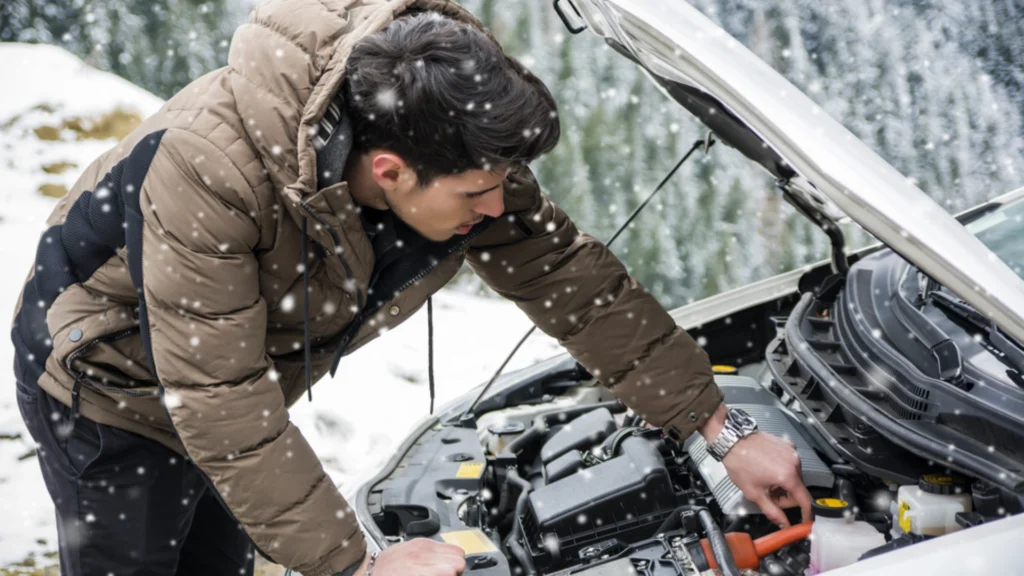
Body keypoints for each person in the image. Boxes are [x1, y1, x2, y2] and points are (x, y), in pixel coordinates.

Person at [11, 1, 813, 575]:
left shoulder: (439, 125)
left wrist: (718, 425)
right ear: (389, 173)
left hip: (224, 377)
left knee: (223, 553)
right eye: (477, 194)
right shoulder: (211, 173)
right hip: (107, 381)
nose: (499, 207)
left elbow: (571, 278)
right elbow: (219, 401)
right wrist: (359, 565)